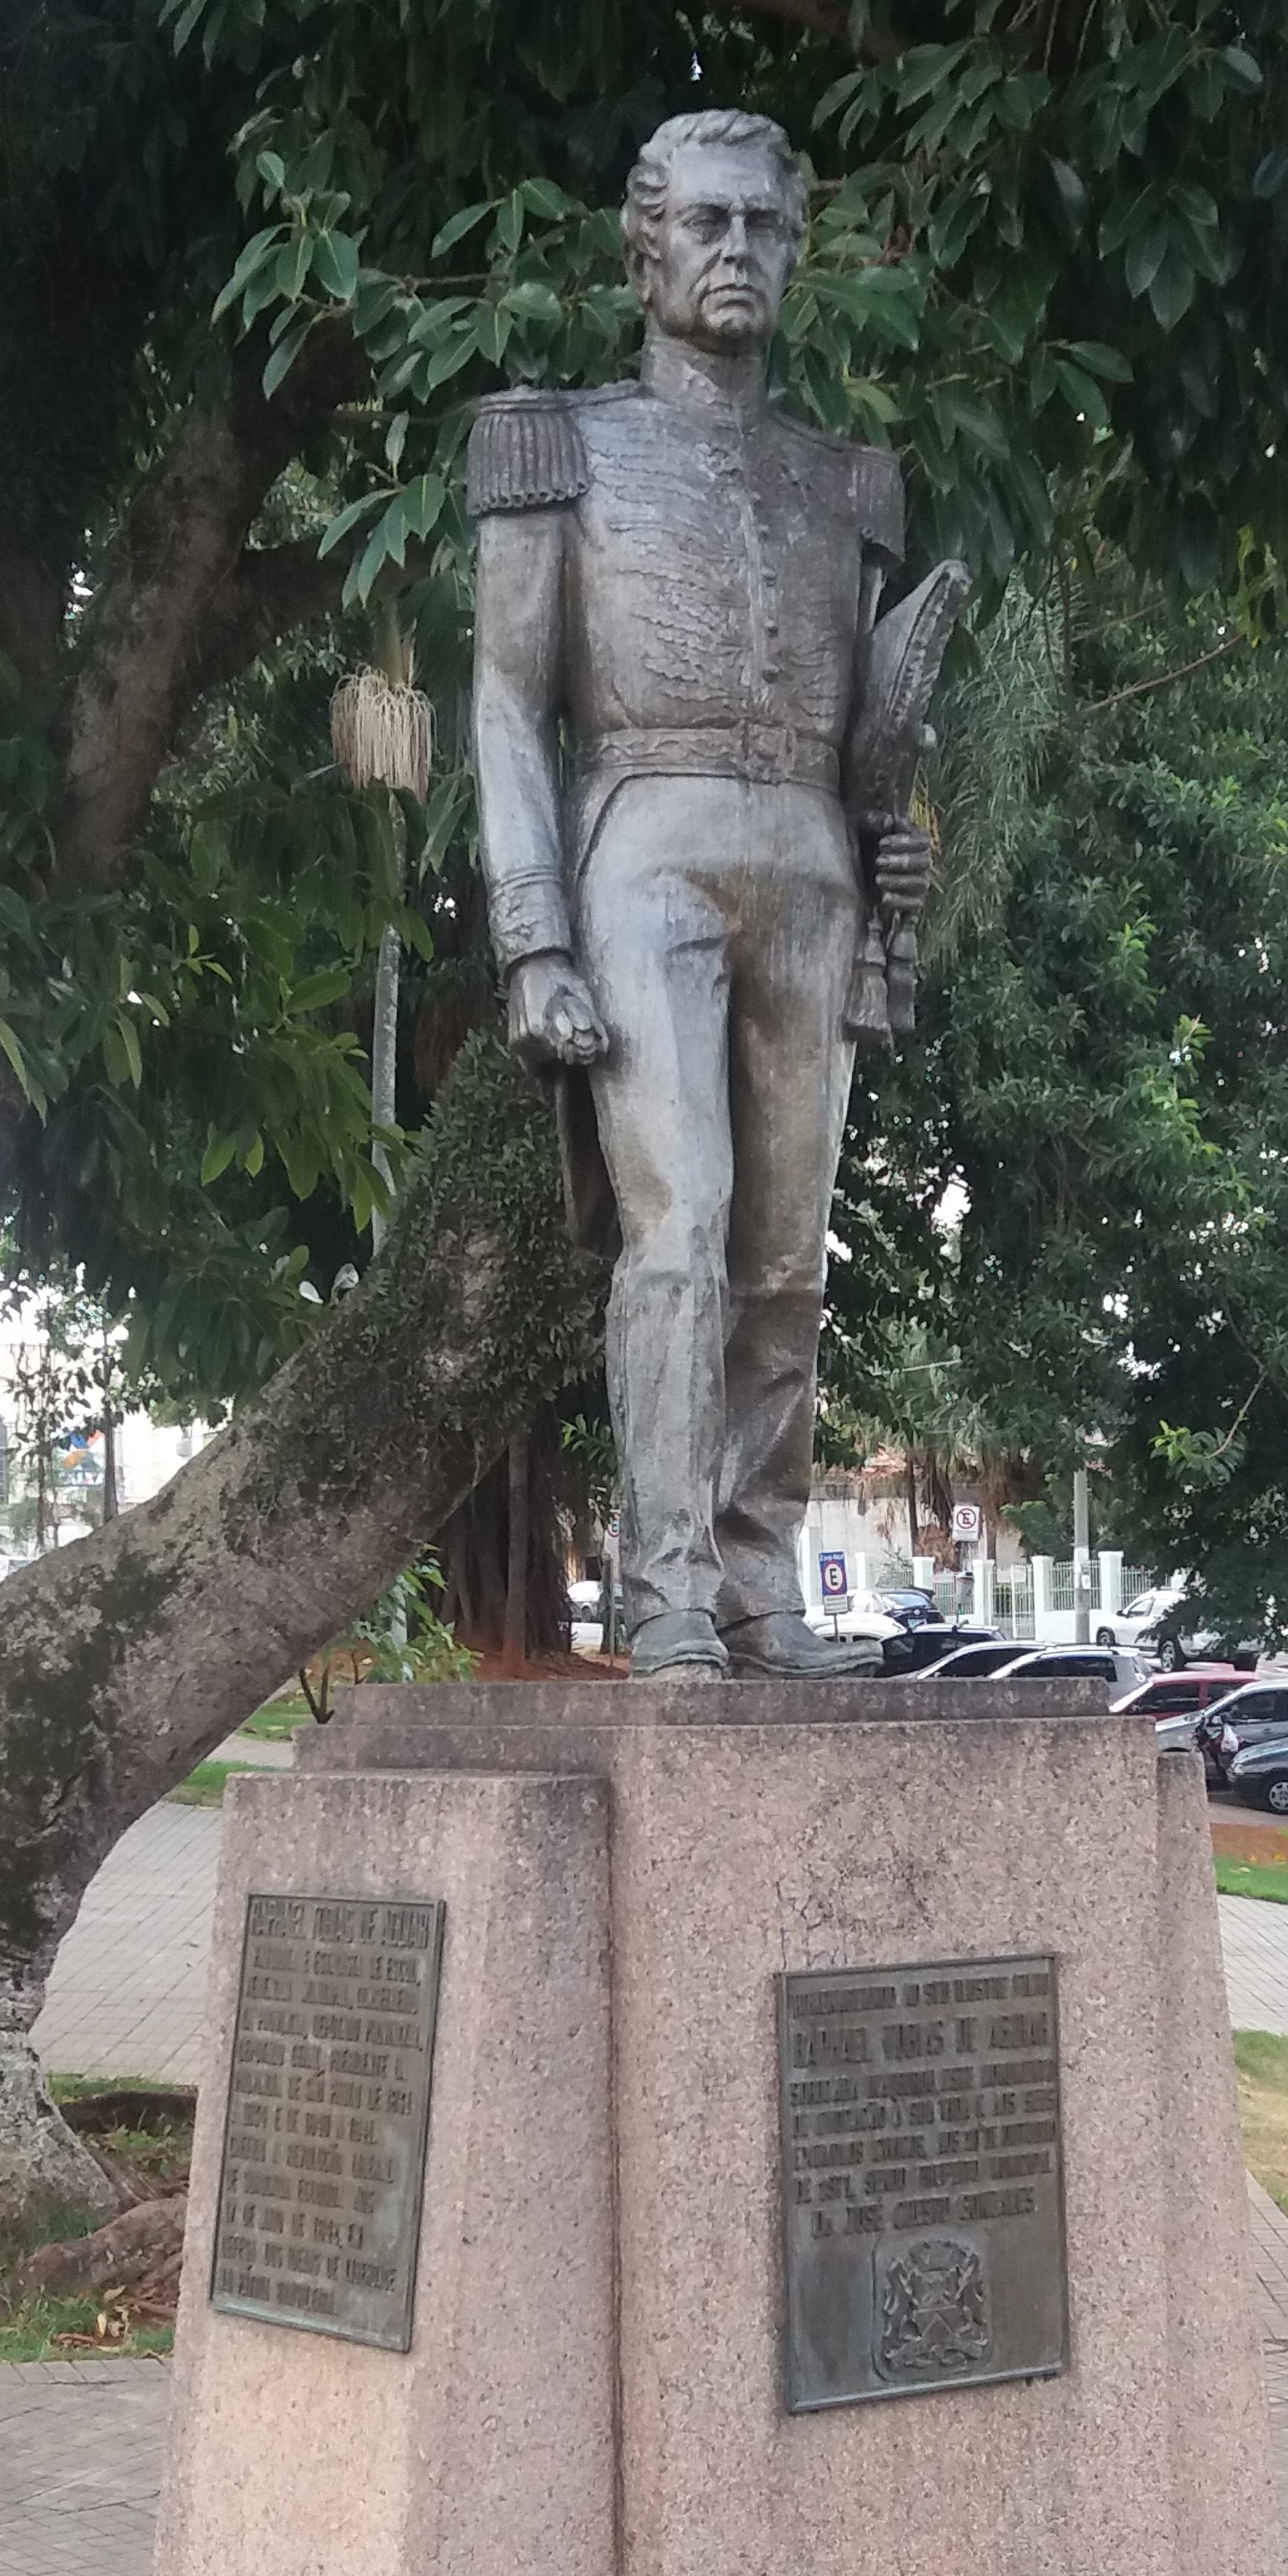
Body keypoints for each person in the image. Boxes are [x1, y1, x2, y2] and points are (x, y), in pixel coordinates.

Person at [471, 108, 937, 1678]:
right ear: (645, 247)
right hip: (643, 836)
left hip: (809, 867)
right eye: (707, 225)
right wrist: (531, 928)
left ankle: (759, 1574)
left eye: (764, 227)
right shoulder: (559, 441)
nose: (737, 252)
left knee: (787, 1259)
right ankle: (664, 1577)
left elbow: (877, 739)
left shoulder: (847, 483)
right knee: (679, 1225)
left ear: (795, 252)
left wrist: (895, 859)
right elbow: (502, 701)